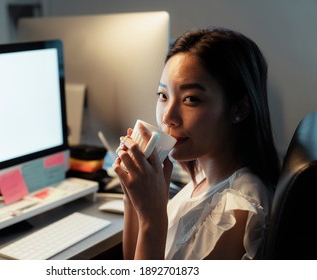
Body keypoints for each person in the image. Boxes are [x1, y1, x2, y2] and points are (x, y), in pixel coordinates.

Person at [112, 27, 281, 260]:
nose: (167, 117)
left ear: (239, 109)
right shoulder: (203, 179)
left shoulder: (235, 211)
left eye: (190, 99)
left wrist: (153, 219)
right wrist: (132, 195)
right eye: (163, 95)